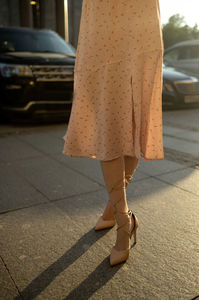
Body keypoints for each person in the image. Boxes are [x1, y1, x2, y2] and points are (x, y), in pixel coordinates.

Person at [62, 0, 164, 266]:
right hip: (102, 19)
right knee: (109, 123)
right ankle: (122, 217)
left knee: (133, 120)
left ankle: (118, 219)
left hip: (140, 16)